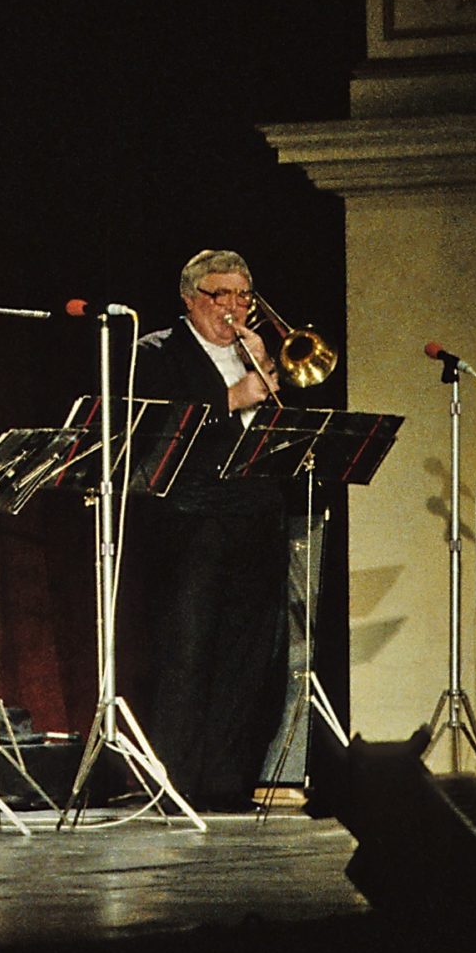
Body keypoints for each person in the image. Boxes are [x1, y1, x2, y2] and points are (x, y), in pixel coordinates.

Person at [131, 248, 290, 810]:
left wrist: (264, 373)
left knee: (250, 654)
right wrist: (230, 398)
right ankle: (174, 783)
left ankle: (228, 781)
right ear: (192, 298)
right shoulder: (156, 351)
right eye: (222, 296)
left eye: (244, 296)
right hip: (190, 519)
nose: (235, 308)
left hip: (254, 515)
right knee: (188, 653)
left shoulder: (254, 352)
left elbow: (279, 434)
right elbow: (153, 425)